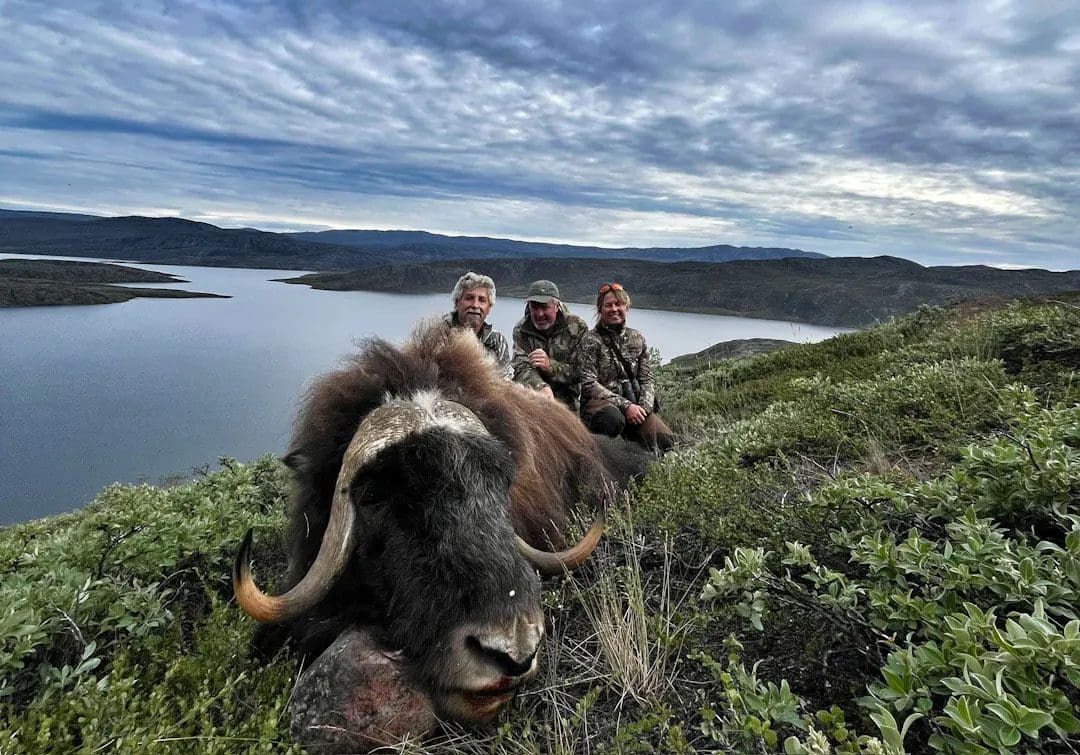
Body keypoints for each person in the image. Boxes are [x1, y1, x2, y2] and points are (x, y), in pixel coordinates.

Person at [577, 282, 674, 453]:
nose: (614, 309)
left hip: (635, 405)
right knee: (612, 420)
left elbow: (647, 378)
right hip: (601, 405)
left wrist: (643, 408)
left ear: (626, 307)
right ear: (600, 310)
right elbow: (589, 384)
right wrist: (626, 406)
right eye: (608, 305)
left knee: (665, 441)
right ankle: (602, 459)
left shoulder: (637, 338)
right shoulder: (590, 340)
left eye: (618, 304)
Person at [511, 280, 590, 410]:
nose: (539, 314)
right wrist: (541, 387)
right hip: (532, 396)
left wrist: (550, 366)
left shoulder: (577, 327)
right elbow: (521, 367)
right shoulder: (521, 329)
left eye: (544, 307)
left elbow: (582, 372)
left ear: (556, 305)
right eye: (534, 307)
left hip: (567, 400)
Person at [442, 271, 512, 379]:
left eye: (482, 300)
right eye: (469, 298)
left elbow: (504, 380)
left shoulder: (497, 341)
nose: (475, 305)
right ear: (457, 302)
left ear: (489, 308)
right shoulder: (438, 333)